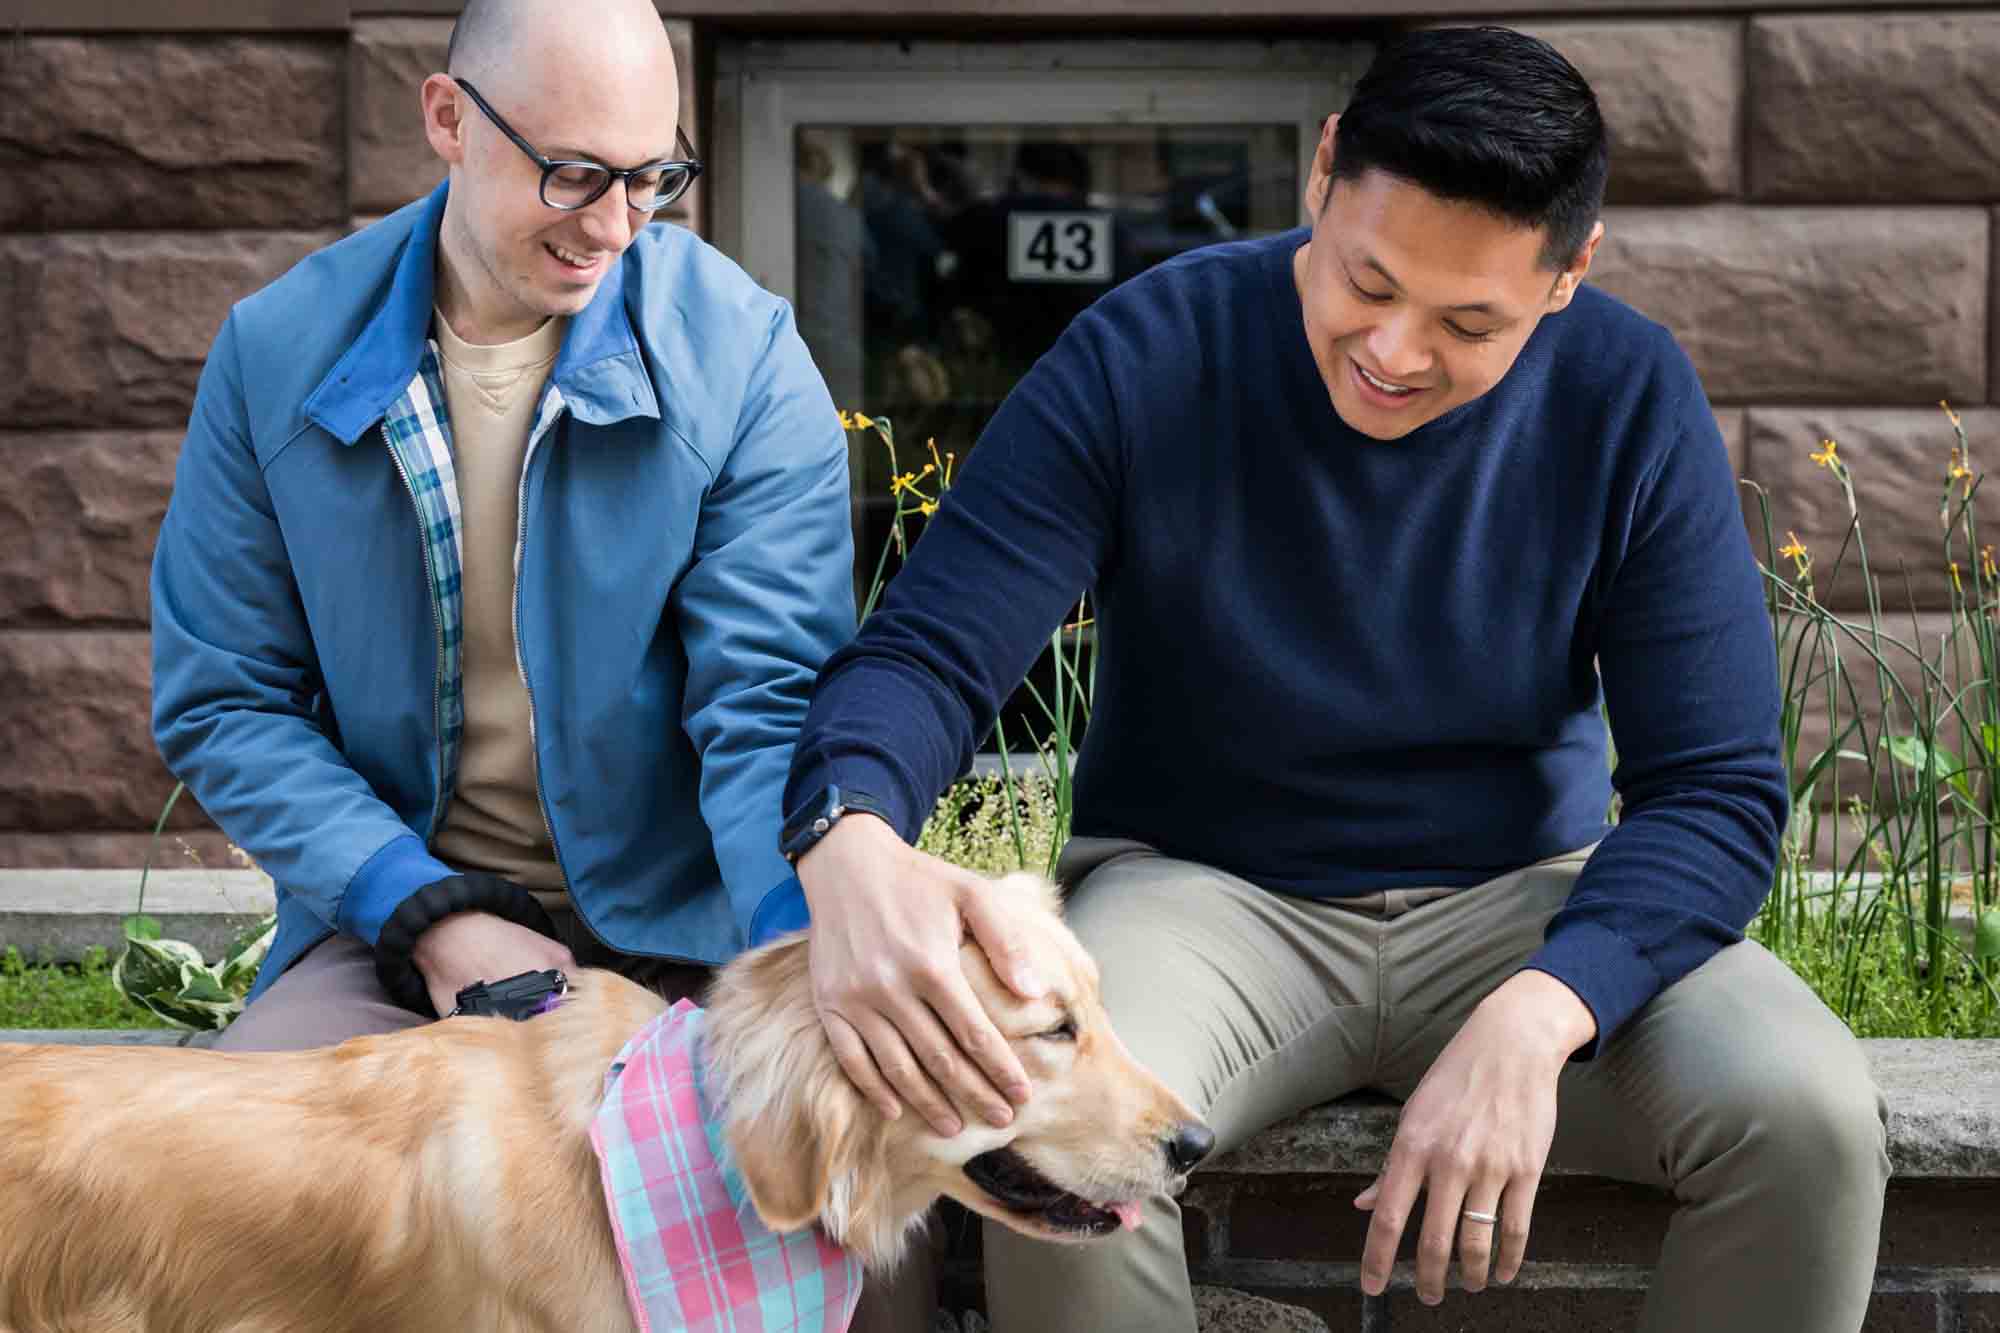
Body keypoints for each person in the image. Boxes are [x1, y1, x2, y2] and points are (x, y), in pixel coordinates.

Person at [780, 26, 1890, 1333]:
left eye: (1469, 321)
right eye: (1369, 281)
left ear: (1569, 272)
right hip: (1201, 899)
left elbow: (1715, 789)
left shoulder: (1628, 397)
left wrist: (1543, 1011)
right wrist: (846, 835)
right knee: (1052, 1141)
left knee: (1806, 1117)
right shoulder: (1148, 352)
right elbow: (924, 656)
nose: (1396, 351)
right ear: (1322, 174)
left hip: (1525, 905)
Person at [152, 0, 854, 1054]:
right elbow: (227, 700)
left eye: (650, 178)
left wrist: (798, 954)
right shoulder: (275, 354)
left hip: (694, 934)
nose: (613, 227)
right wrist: (424, 909)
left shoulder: (742, 355)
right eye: (571, 173)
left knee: (793, 1177)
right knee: (250, 1168)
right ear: (448, 119)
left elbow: (767, 703)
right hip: (390, 929)